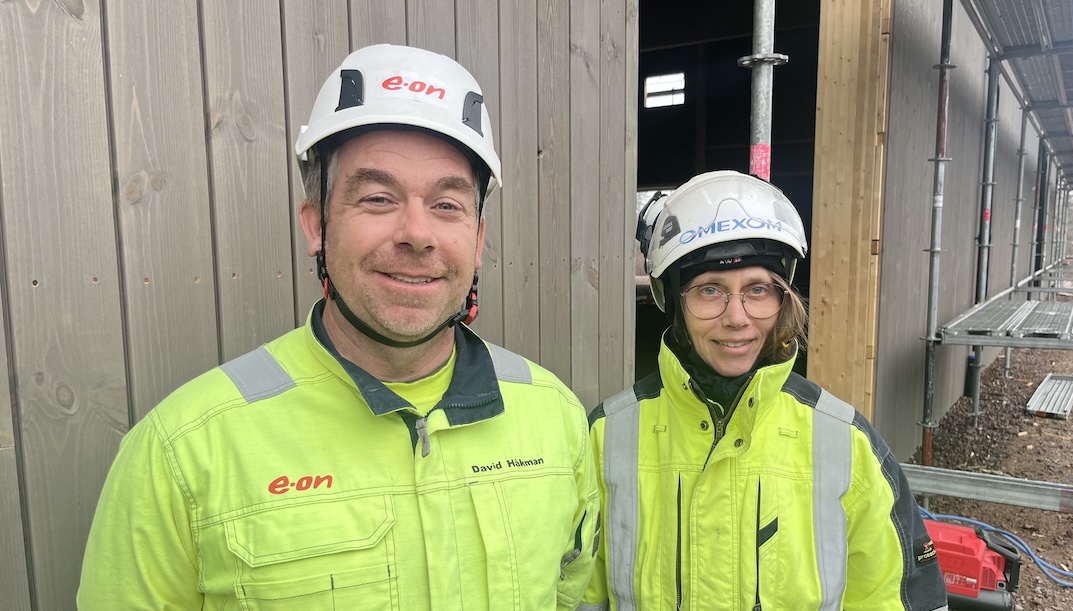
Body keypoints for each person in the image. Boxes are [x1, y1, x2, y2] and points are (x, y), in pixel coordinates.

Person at [78, 44, 598, 610]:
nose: (417, 234)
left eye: (448, 205)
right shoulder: (183, 450)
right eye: (378, 198)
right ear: (316, 226)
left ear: (477, 239)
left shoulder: (555, 418)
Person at [579, 171, 949, 610]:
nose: (736, 318)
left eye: (757, 290)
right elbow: (578, 595)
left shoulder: (845, 443)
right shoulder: (607, 437)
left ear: (782, 297)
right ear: (674, 301)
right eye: (710, 290)